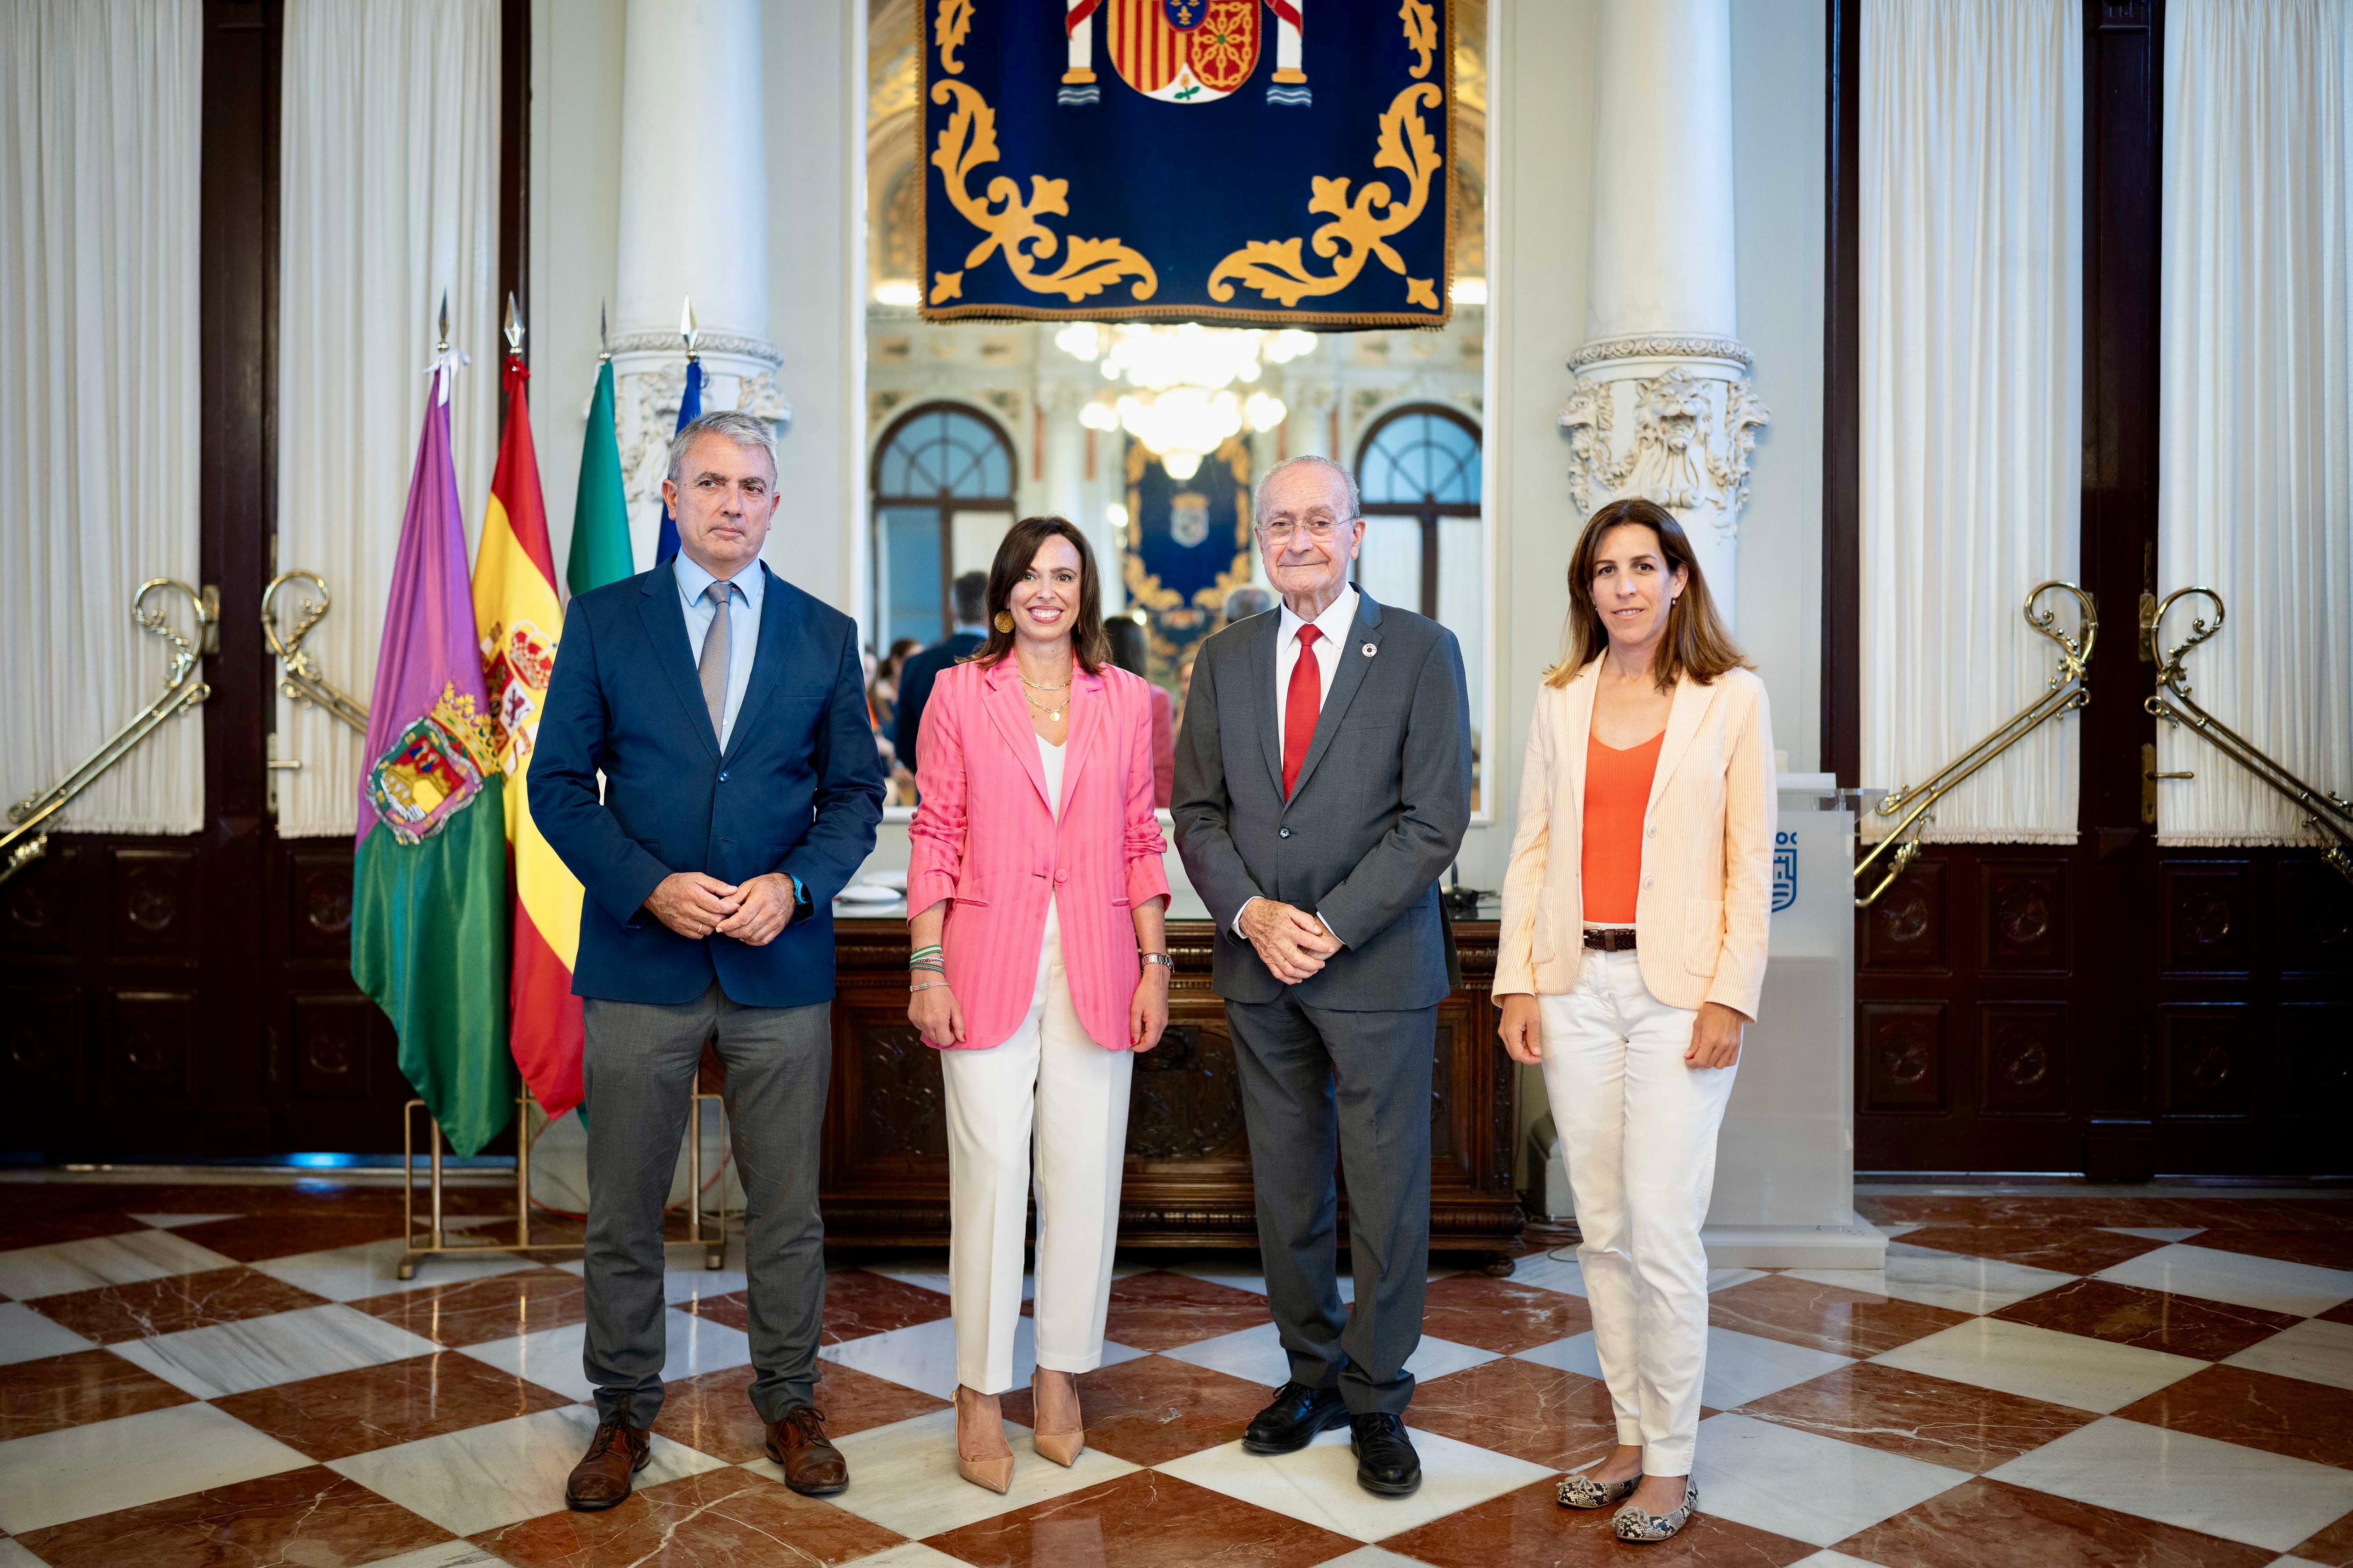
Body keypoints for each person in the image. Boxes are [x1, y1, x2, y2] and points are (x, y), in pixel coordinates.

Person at [532, 409, 886, 1510]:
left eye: (753, 486)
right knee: (624, 1208)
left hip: (779, 962)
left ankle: (788, 1399)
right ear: (674, 499)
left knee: (785, 1206)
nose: (734, 502)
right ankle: (623, 1411)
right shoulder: (601, 622)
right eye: (713, 483)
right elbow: (553, 787)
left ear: (775, 506)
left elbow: (854, 796)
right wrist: (648, 883)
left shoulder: (825, 635)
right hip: (641, 959)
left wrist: (796, 885)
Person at [1171, 454, 1472, 1498]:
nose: (1297, 539)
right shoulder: (1224, 657)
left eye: (1318, 521)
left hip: (1376, 967)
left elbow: (1433, 818)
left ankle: (1378, 1392)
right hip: (1260, 969)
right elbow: (1197, 813)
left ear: (1356, 534)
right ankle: (1308, 1374)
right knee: (1288, 1186)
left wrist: (1330, 923)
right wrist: (1252, 911)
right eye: (1279, 523)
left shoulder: (1423, 650)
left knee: (1385, 1193)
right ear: (1260, 538)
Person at [1494, 497, 1773, 1545]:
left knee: (1661, 1225)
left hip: (1677, 996)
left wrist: (1728, 994)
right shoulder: (1559, 696)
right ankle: (1625, 1436)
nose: (1623, 584)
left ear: (1677, 579)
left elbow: (1751, 862)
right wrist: (1518, 981)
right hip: (1574, 986)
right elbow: (1529, 849)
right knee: (1599, 1226)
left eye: (1642, 566)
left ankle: (1670, 1462)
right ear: (1588, 590)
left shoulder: (1729, 697)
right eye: (1604, 569)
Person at [905, 517, 1172, 1493]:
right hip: (983, 957)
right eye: (1030, 573)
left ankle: (1059, 1378)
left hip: (1100, 962)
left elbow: (1143, 837)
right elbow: (935, 829)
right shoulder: (958, 692)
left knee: (1084, 1179)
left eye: (1064, 574)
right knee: (987, 1180)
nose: (1046, 590)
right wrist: (924, 963)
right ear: (1005, 590)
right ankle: (979, 1390)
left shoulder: (1133, 699)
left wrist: (1157, 964)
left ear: (1084, 589)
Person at [894, 571, 990, 770]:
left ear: (953, 610)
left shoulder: (916, 665)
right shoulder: (1009, 662)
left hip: (934, 788)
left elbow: (904, 745)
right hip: (998, 793)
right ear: (993, 607)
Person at [1104, 615, 1176, 808]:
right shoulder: (1156, 698)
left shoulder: (1088, 694)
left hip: (1099, 801)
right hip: (1141, 804)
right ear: (1140, 650)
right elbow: (1160, 762)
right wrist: (1165, 813)